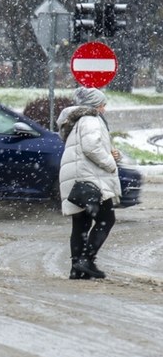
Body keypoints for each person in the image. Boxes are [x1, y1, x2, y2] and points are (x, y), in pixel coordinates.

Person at [56, 87, 122, 280]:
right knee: (106, 219)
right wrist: (110, 163)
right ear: (95, 105)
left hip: (76, 178)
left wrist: (113, 153)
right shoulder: (91, 120)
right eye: (103, 104)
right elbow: (91, 147)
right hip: (89, 178)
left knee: (81, 223)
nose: (105, 108)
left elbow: (92, 146)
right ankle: (86, 259)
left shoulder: (77, 120)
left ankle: (77, 268)